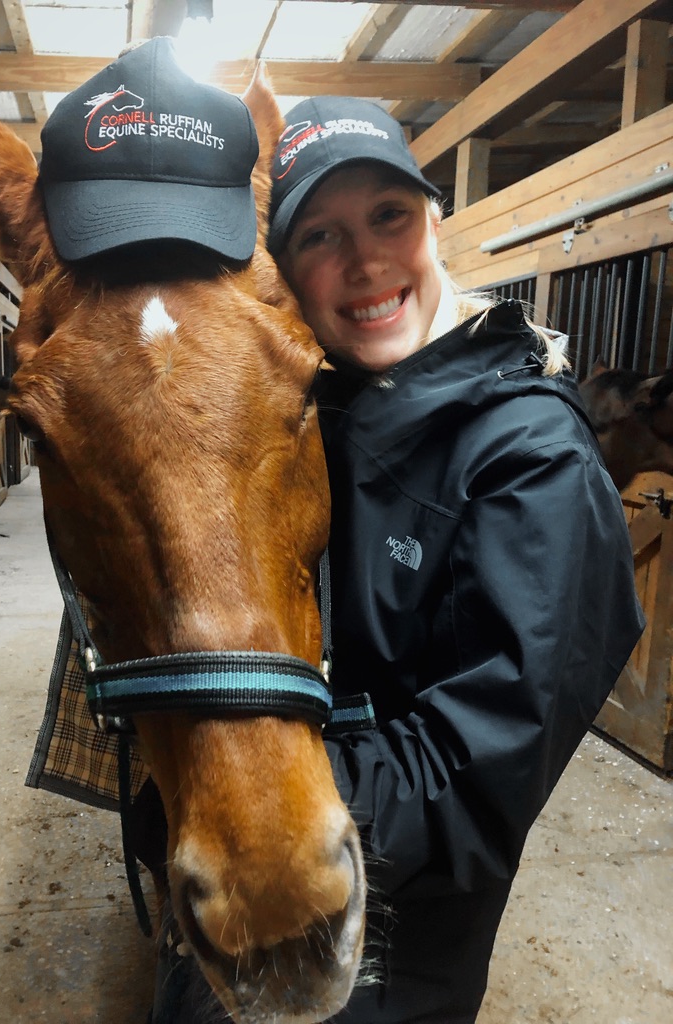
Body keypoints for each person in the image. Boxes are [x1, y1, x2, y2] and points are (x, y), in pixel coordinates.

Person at [260, 95, 645, 1024]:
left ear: (433, 220)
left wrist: (249, 806)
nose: (364, 262)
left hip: (402, 916)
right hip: (281, 840)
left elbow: (477, 775)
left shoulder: (534, 462)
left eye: (388, 215)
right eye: (320, 234)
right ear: (287, 275)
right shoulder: (328, 404)